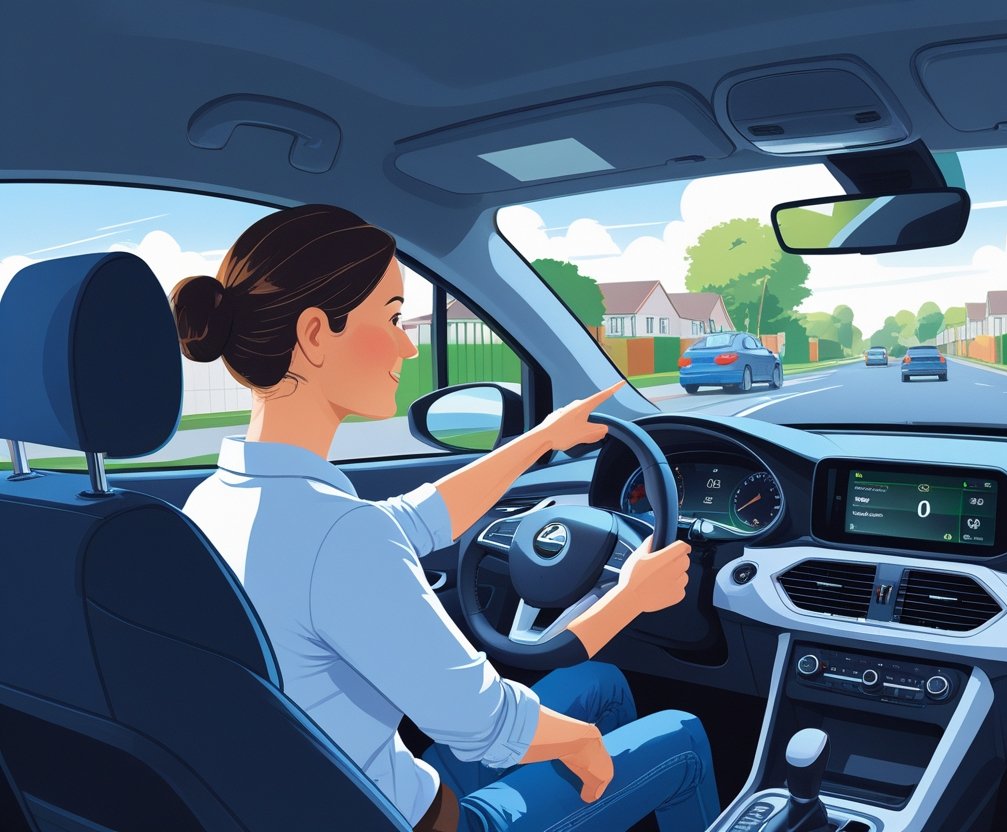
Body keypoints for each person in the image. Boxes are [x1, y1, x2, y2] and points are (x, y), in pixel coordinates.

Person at [173, 204, 720, 832]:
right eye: (393, 318)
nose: (408, 345)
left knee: (600, 685)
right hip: (422, 821)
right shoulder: (340, 535)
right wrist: (628, 603)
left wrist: (543, 438)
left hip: (349, 792)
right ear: (317, 334)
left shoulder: (213, 504)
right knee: (682, 737)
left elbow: (413, 519)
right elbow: (488, 723)